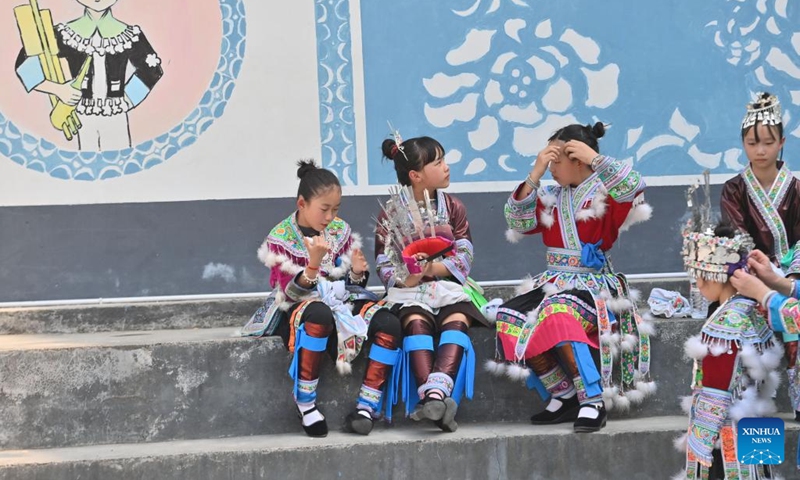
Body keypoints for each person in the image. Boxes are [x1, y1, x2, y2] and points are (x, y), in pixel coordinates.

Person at [490, 121, 655, 433]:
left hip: (593, 287)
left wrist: (595, 158)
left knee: (560, 312)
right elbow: (519, 221)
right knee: (508, 315)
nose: (551, 167)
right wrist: (534, 174)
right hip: (554, 282)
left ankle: (592, 400)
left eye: (556, 161)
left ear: (576, 159)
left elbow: (635, 187)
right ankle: (563, 394)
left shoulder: (605, 192)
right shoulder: (551, 195)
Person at [258, 159, 402, 437]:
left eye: (336, 209)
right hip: (301, 307)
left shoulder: (340, 230)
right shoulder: (279, 239)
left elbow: (348, 285)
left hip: (339, 302)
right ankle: (306, 403)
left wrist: (359, 273)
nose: (330, 216)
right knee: (318, 313)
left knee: (388, 321)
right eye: (324, 209)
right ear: (302, 204)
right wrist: (312, 265)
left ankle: (366, 406)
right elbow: (290, 294)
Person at [374, 132, 489, 433]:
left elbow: (465, 250)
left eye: (444, 160)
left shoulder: (453, 207)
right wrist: (406, 276)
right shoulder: (391, 213)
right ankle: (435, 398)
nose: (446, 167)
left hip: (447, 285)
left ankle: (434, 395)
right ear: (415, 175)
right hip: (411, 290)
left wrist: (435, 267)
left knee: (458, 318)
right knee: (414, 320)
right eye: (438, 162)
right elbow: (383, 259)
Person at [675, 222, 782, 479]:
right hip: (756, 417)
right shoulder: (752, 311)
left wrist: (700, 438)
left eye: (698, 276)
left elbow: (716, 389)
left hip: (727, 429)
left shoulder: (724, 324)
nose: (698, 284)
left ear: (712, 276)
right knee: (761, 474)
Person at [720, 92, 800, 418]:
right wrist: (755, 274)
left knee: (794, 322)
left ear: (781, 142)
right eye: (752, 143)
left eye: (768, 142)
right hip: (751, 277)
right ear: (743, 145)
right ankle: (750, 413)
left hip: (791, 278)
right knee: (742, 327)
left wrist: (788, 278)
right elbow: (737, 241)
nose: (761, 150)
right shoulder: (734, 188)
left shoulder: (796, 187)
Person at [15, 0, 164, 150]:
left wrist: (126, 100)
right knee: (85, 156)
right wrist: (59, 90)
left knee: (118, 155)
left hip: (116, 116)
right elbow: (24, 65)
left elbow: (152, 70)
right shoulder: (65, 34)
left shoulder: (130, 35)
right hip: (80, 114)